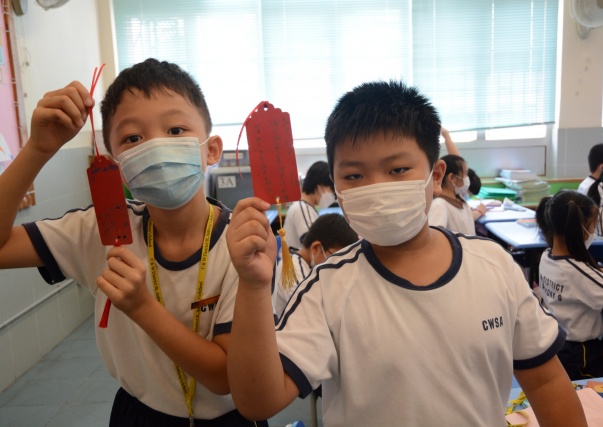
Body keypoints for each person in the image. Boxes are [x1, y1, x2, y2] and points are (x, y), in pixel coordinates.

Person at [225, 81, 586, 426]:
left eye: (397, 170)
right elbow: (258, 401)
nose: (377, 189)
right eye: (353, 176)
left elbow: (546, 383)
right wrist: (253, 287)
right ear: (335, 186)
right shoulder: (326, 289)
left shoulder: (494, 266)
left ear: (436, 175)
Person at [0, 58, 266, 426]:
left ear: (211, 149)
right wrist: (37, 150)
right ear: (118, 165)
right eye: (133, 138)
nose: (156, 146)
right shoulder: (100, 230)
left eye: (175, 130)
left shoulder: (244, 246)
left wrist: (142, 307)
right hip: (138, 415)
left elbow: (225, 377)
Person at [535, 190, 603, 381]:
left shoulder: (547, 256)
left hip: (561, 347)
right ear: (581, 229)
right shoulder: (580, 273)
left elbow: (577, 277)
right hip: (580, 358)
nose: (593, 232)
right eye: (593, 226)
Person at [273, 213, 358, 318]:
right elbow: (312, 310)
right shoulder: (292, 268)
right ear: (316, 248)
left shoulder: (309, 264)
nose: (339, 265)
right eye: (336, 258)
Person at [428, 154, 486, 235]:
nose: (467, 178)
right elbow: (435, 236)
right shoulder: (439, 205)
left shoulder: (458, 199)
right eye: (465, 174)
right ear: (452, 178)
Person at [283, 160, 334, 249]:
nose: (333, 195)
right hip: (296, 258)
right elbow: (311, 242)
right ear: (320, 187)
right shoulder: (301, 208)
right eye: (331, 190)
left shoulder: (306, 208)